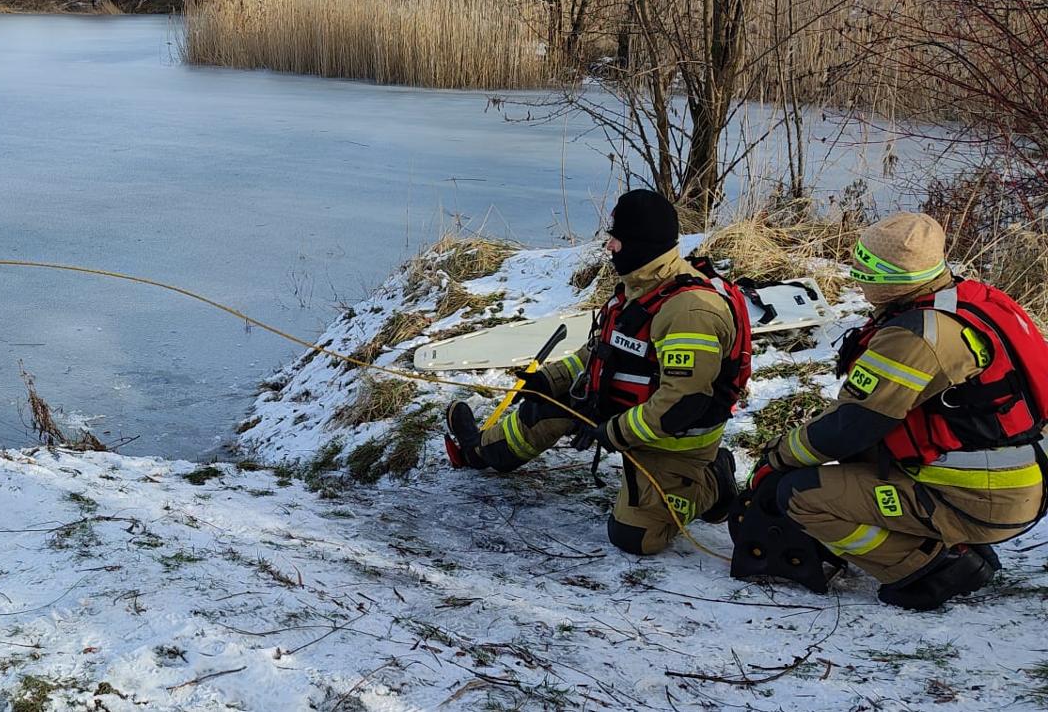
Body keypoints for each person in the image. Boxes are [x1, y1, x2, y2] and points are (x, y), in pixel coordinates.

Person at [737, 213, 1045, 610]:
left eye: (865, 268)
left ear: (890, 279)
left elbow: (852, 426)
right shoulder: (967, 299)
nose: (856, 276)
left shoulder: (916, 335)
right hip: (1015, 480)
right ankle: (948, 536)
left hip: (980, 495)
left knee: (801, 495)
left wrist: (778, 457)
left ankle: (932, 564)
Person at [447, 189, 751, 555]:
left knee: (635, 537)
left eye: (616, 239)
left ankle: (713, 481)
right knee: (543, 407)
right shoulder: (640, 286)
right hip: (623, 412)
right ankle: (481, 451)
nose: (609, 247)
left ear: (641, 244)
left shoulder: (690, 312)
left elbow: (681, 403)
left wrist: (614, 432)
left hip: (671, 441)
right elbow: (599, 354)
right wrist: (550, 380)